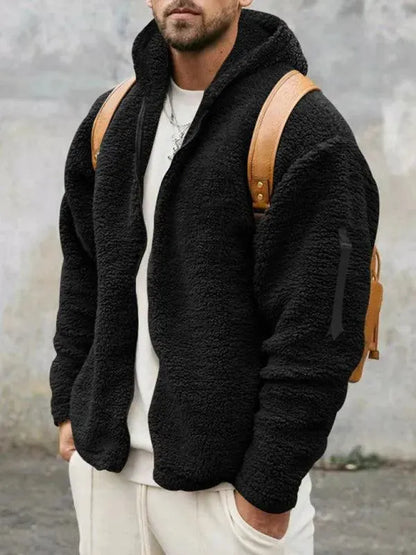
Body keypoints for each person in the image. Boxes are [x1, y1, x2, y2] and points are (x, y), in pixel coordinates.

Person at [49, 1, 380, 554]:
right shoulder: (112, 118)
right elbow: (84, 272)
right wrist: (69, 405)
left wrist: (268, 488)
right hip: (105, 474)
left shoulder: (300, 127)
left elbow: (323, 327)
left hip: (227, 495)